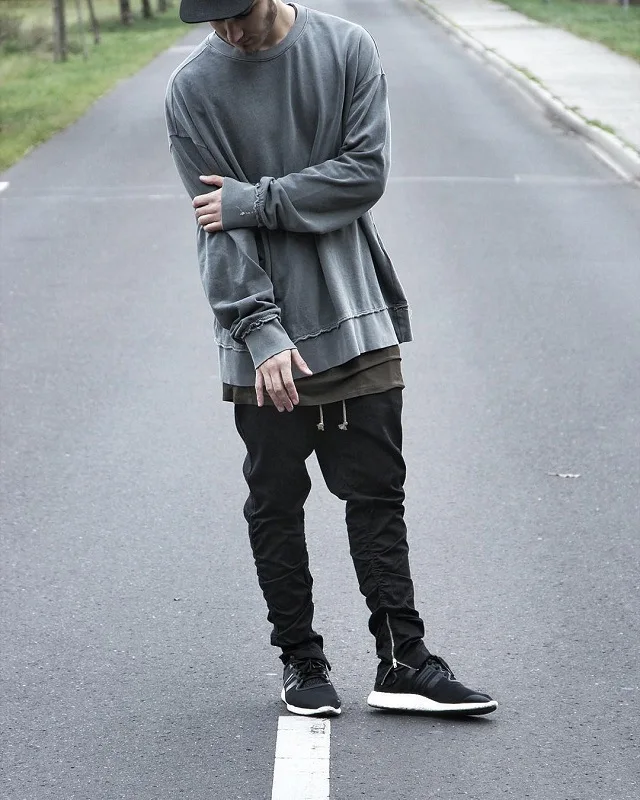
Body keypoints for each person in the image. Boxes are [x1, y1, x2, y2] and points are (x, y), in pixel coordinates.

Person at [165, 0, 497, 718]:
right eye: (212, 21)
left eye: (237, 13)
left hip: (354, 313)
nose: (228, 32)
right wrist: (259, 331)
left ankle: (403, 660)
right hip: (264, 341)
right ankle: (300, 659)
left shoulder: (347, 48)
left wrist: (257, 200)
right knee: (276, 502)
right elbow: (214, 224)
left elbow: (364, 174)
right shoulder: (193, 89)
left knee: (378, 493)